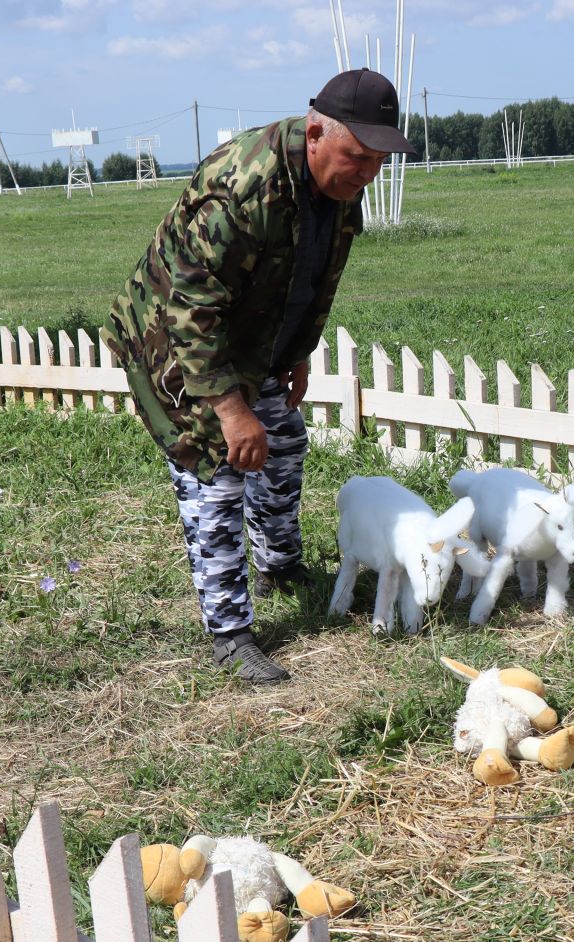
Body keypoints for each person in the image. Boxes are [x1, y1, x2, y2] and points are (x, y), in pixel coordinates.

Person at [103, 69, 416, 684]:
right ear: (317, 130)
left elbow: (309, 277)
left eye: (379, 161)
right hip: (175, 341)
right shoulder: (244, 185)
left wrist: (296, 352)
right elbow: (191, 307)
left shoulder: (338, 190)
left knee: (284, 443)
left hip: (250, 337)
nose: (367, 173)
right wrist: (230, 409)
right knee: (217, 473)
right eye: (357, 157)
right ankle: (230, 631)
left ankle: (278, 564)